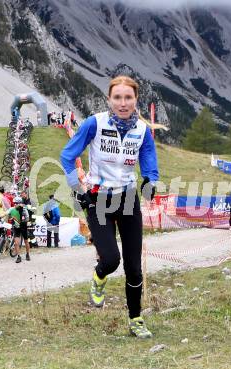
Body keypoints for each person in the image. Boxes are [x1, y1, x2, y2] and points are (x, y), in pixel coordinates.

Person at [61, 75, 162, 339]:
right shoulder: (95, 123)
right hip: (98, 199)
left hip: (128, 199)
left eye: (128, 97)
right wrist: (77, 189)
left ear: (135, 99)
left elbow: (148, 156)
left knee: (134, 266)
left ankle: (136, 319)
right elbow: (67, 155)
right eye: (117, 97)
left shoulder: (141, 129)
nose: (123, 103)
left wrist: (151, 179)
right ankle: (99, 277)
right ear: (109, 99)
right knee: (110, 260)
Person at [7, 196, 31, 263]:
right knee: (16, 243)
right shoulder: (12, 209)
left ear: (20, 203)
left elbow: (27, 218)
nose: (15, 204)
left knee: (26, 241)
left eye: (16, 203)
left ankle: (27, 254)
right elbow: (9, 216)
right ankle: (18, 256)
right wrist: (11, 219)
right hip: (16, 227)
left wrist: (21, 221)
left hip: (23, 226)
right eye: (14, 203)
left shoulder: (24, 210)